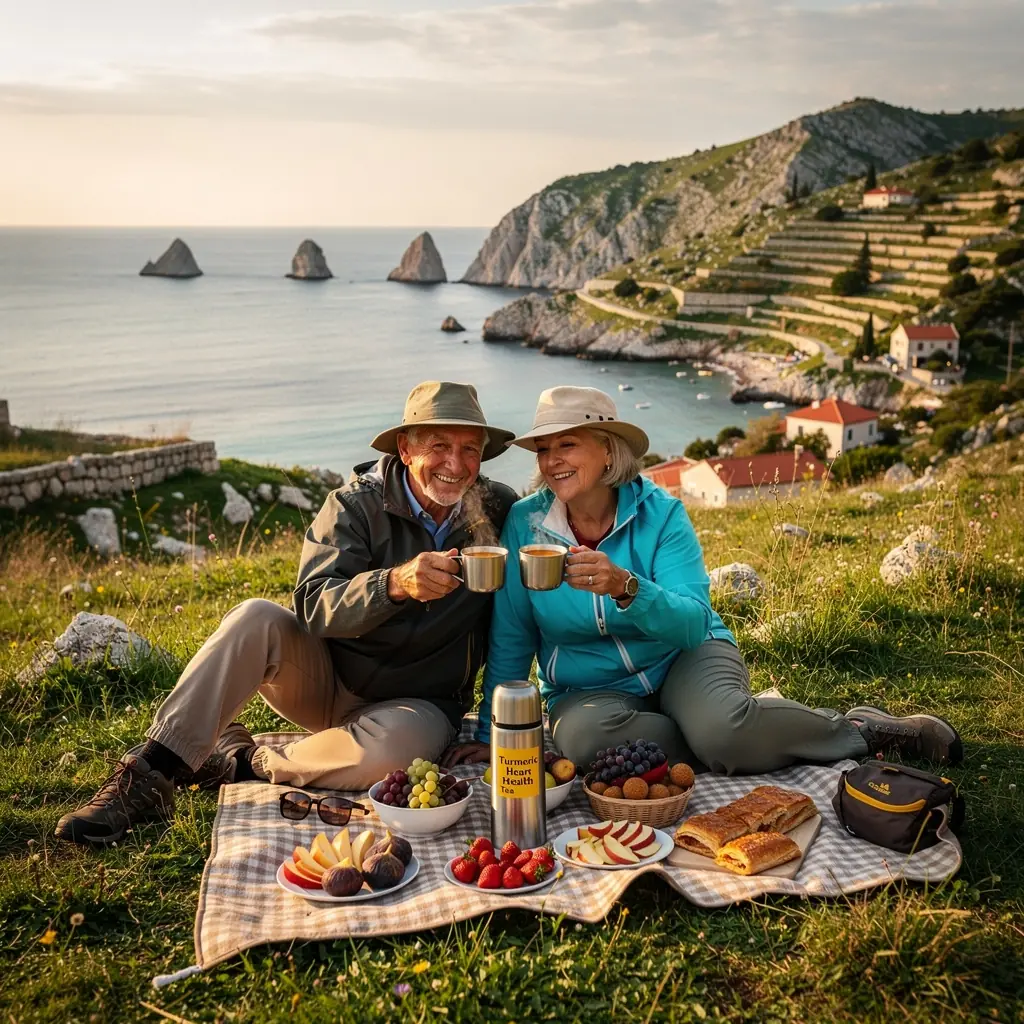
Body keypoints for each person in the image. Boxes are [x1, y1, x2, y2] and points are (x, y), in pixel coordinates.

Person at [56, 381, 517, 845]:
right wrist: (392, 584)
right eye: (439, 446)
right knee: (254, 617)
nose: (455, 465)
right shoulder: (354, 505)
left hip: (419, 707)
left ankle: (243, 760)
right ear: (405, 447)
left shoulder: (498, 507)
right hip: (329, 681)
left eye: (469, 449)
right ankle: (150, 770)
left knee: (392, 755)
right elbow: (315, 607)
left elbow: (540, 573)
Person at [445, 385, 962, 773]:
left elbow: (693, 623)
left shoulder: (663, 515)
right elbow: (513, 634)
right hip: (586, 689)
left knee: (720, 731)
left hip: (682, 658)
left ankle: (854, 730)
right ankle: (735, 728)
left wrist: (627, 587)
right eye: (544, 449)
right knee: (581, 745)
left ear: (608, 450)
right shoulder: (525, 524)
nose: (552, 461)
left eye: (568, 445)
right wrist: (496, 730)